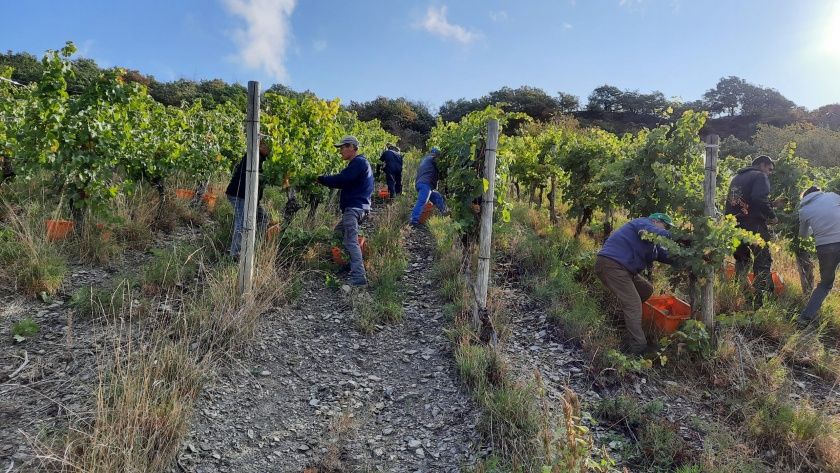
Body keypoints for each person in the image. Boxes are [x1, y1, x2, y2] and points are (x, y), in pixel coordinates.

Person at [594, 213, 675, 355]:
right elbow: (653, 232)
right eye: (666, 226)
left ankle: (619, 321)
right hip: (612, 265)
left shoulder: (652, 244)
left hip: (623, 269)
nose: (666, 229)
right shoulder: (643, 223)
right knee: (633, 304)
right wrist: (676, 236)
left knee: (646, 289)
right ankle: (638, 347)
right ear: (656, 221)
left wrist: (685, 258)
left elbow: (664, 255)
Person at [316, 135, 375, 286]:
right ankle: (345, 263)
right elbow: (344, 182)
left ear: (351, 147)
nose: (340, 151)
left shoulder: (358, 162)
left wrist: (320, 179)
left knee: (350, 241)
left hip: (354, 208)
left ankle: (359, 278)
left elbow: (342, 179)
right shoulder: (359, 164)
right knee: (338, 232)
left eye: (342, 147)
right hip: (358, 208)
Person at [724, 155, 779, 307]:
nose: (770, 173)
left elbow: (744, 203)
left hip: (735, 226)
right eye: (769, 169)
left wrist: (772, 204)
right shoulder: (760, 176)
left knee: (742, 261)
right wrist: (772, 216)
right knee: (762, 261)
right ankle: (760, 303)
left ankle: (745, 297)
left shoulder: (737, 178)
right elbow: (759, 199)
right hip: (754, 226)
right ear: (762, 165)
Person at [796, 186, 840, 328]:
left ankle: (804, 318)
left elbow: (803, 235)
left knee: (825, 284)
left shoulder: (804, 210)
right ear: (819, 191)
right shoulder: (832, 196)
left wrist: (814, 228)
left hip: (825, 248)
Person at [226, 139, 270, 260]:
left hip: (251, 198)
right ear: (260, 145)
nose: (270, 149)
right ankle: (235, 254)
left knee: (263, 218)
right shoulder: (253, 157)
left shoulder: (264, 159)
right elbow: (254, 178)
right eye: (267, 146)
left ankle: (251, 247)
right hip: (238, 194)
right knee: (241, 222)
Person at [410, 147, 448, 226]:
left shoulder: (424, 160)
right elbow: (440, 166)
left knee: (437, 197)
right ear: (435, 154)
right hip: (425, 184)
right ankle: (413, 221)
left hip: (423, 184)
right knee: (422, 201)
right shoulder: (432, 159)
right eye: (438, 155)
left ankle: (445, 214)